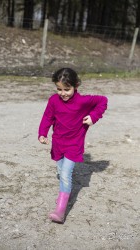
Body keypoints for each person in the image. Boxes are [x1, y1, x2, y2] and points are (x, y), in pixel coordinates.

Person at [38, 68, 108, 223]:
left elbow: (103, 100)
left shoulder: (83, 101)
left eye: (67, 89)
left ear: (76, 85)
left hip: (74, 145)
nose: (63, 93)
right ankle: (64, 196)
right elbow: (47, 117)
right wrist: (42, 133)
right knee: (60, 171)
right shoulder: (53, 101)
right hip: (58, 143)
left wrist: (93, 117)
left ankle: (60, 211)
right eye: (59, 89)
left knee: (65, 174)